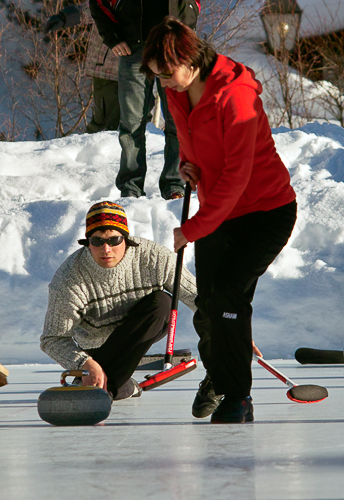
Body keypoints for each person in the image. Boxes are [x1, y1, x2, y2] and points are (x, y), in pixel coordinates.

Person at [142, 17, 297, 424]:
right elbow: (190, 139)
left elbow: (237, 176)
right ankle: (220, 373)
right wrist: (188, 165)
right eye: (158, 75)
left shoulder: (236, 95)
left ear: (190, 59)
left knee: (229, 294)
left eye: (168, 72)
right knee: (208, 305)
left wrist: (192, 228)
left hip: (265, 211)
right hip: (219, 210)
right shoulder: (176, 91)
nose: (165, 82)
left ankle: (238, 396)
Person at [40, 201, 198, 400]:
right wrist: (85, 364)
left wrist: (231, 334)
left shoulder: (155, 258)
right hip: (96, 349)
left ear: (126, 239)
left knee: (162, 302)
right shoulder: (69, 277)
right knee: (108, 377)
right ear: (88, 242)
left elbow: (199, 300)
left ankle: (102, 389)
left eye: (114, 240)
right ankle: (120, 387)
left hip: (141, 331)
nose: (106, 249)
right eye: (97, 241)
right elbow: (52, 339)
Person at [89, 0, 199, 200]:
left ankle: (175, 184)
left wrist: (187, 23)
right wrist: (113, 37)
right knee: (131, 125)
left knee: (179, 122)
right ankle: (131, 187)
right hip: (133, 47)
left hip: (174, 47)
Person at [44, 4, 120, 132]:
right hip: (109, 69)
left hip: (140, 69)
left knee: (139, 124)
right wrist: (64, 17)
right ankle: (94, 151)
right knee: (105, 126)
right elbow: (95, 8)